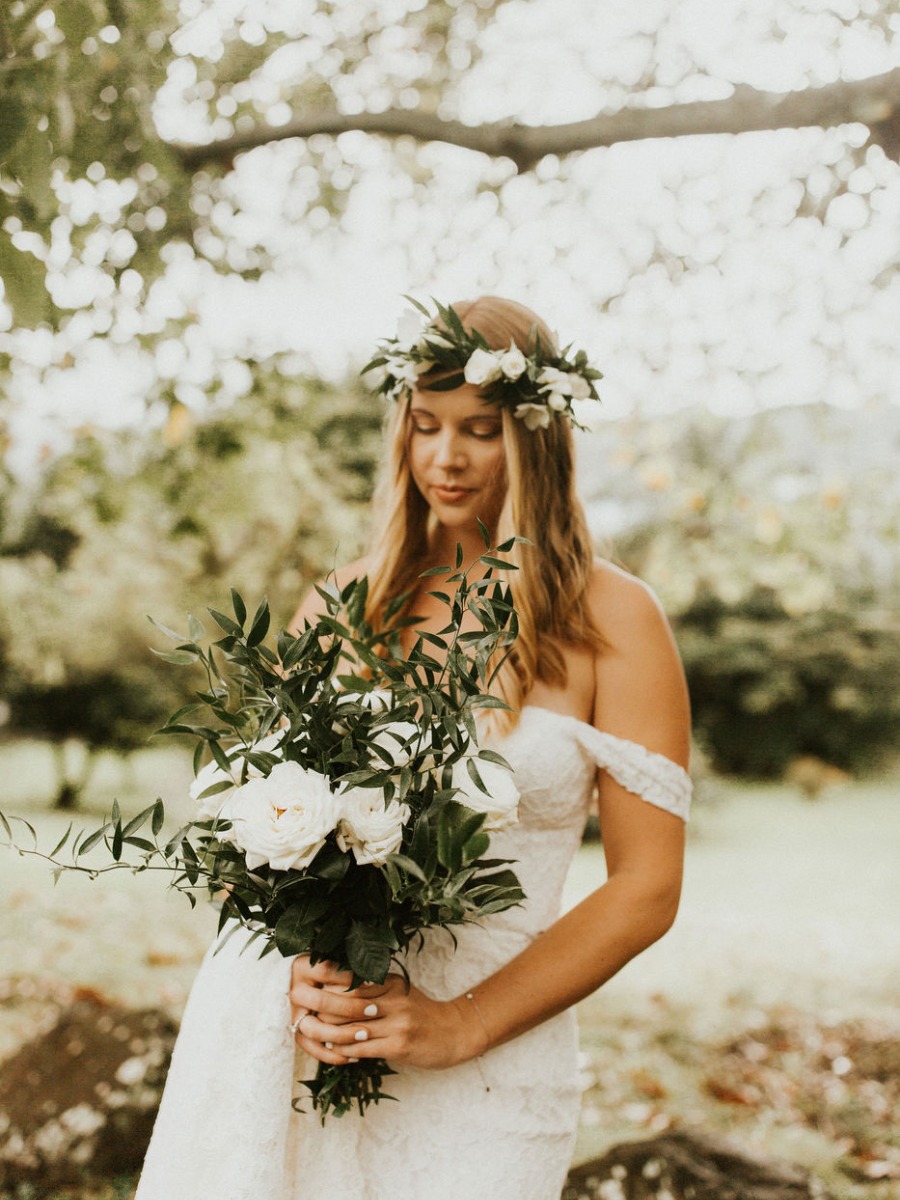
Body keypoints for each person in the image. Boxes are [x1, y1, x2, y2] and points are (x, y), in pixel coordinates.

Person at [135, 296, 691, 1200]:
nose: (445, 456)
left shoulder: (617, 618)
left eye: (480, 429)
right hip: (306, 1036)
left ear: (537, 436)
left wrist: (461, 1025)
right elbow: (267, 835)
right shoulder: (345, 604)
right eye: (423, 424)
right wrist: (307, 958)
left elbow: (646, 887)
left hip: (491, 1059)